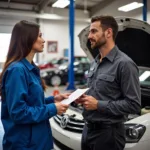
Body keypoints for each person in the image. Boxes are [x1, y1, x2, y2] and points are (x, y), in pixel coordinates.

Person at [0, 20, 69, 150]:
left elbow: (31, 102)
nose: (43, 40)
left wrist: (53, 100)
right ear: (27, 38)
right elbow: (18, 112)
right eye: (39, 36)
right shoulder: (17, 70)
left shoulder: (30, 68)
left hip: (38, 141)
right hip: (25, 144)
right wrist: (53, 109)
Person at [77, 15, 141, 150]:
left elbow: (134, 105)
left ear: (108, 33)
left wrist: (98, 105)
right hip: (88, 129)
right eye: (89, 32)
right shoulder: (95, 62)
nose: (89, 36)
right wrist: (82, 97)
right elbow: (97, 90)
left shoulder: (125, 64)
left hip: (109, 135)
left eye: (94, 31)